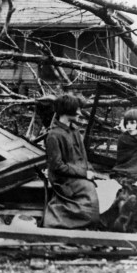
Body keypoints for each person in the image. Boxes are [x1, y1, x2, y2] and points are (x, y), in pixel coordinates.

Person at [44, 94, 100, 229]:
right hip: (63, 179)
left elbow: (83, 156)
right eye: (77, 110)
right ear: (66, 111)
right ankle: (62, 224)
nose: (80, 113)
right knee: (90, 200)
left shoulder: (74, 130)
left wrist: (89, 171)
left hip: (78, 174)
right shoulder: (53, 135)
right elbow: (57, 166)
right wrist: (84, 174)